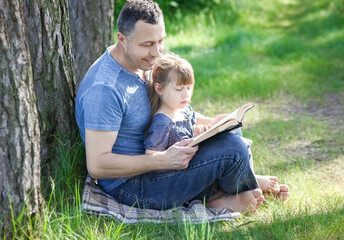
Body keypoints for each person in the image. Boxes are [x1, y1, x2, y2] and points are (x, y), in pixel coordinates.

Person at [75, 0, 274, 213]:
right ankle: (228, 195)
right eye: (147, 44)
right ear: (122, 39)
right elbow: (97, 165)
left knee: (230, 128)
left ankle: (238, 187)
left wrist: (212, 122)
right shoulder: (105, 89)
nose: (156, 52)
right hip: (135, 186)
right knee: (232, 150)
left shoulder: (144, 63)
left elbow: (171, 108)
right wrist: (163, 161)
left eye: (160, 41)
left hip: (162, 161)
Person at [144, 53, 289, 204]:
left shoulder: (182, 109)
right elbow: (151, 157)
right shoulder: (162, 122)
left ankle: (250, 183)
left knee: (233, 130)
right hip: (182, 174)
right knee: (229, 145)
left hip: (197, 161)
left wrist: (211, 124)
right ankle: (253, 185)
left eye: (189, 88)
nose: (185, 94)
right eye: (179, 89)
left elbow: (192, 122)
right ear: (159, 89)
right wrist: (170, 154)